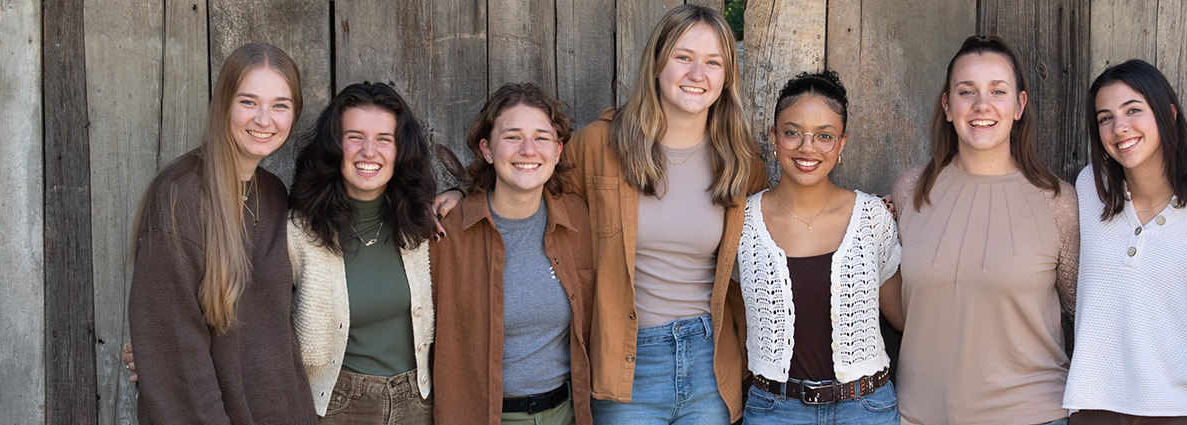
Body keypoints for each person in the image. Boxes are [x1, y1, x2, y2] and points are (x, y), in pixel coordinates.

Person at [435, 5, 765, 424]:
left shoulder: (741, 161)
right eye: (684, 57)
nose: (697, 74)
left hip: (710, 361)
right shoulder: (601, 146)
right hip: (626, 360)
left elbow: (779, 228)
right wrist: (463, 192)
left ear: (727, 75)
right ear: (658, 62)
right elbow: (531, 173)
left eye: (713, 62)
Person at [887, 35, 1077, 425]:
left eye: (998, 91)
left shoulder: (1058, 202)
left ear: (1019, 105)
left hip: (1033, 415)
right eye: (966, 91)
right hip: (918, 416)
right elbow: (913, 308)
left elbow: (1088, 313)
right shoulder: (911, 190)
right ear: (947, 105)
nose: (981, 105)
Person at [127, 42, 316, 424]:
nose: (264, 119)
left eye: (280, 105)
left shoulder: (273, 193)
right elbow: (174, 355)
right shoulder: (180, 197)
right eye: (249, 102)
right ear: (223, 103)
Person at [1063, 60, 1187, 425]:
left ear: (1168, 114)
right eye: (1105, 117)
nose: (1119, 127)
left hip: (1186, 409)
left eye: (1133, 110)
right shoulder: (1090, 189)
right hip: (1096, 406)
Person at [736, 71, 900, 425]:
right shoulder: (741, 223)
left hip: (866, 408)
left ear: (841, 144)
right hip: (774, 410)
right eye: (792, 132)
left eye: (824, 136)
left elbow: (901, 314)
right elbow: (729, 313)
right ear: (774, 138)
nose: (807, 147)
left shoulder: (872, 219)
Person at [428, 83, 596, 425]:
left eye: (541, 137)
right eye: (513, 136)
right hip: (485, 416)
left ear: (559, 150)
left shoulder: (578, 218)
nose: (528, 150)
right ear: (487, 149)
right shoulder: (448, 231)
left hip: (566, 414)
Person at [288, 81, 441, 423]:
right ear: (334, 146)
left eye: (384, 139)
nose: (369, 151)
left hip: (417, 402)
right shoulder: (299, 232)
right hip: (338, 405)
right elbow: (248, 311)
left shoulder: (419, 225)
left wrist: (459, 193)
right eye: (354, 136)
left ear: (401, 150)